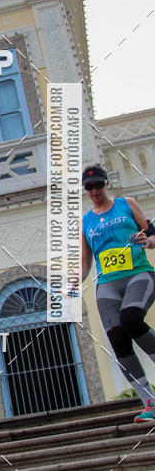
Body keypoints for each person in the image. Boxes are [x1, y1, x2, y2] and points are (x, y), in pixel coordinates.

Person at [81, 164, 155, 422]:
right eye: (89, 187)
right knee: (117, 337)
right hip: (107, 284)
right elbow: (85, 263)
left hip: (138, 273)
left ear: (107, 183)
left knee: (131, 318)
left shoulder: (127, 204)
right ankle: (149, 402)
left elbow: (151, 233)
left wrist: (148, 241)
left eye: (98, 185)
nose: (94, 191)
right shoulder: (86, 220)